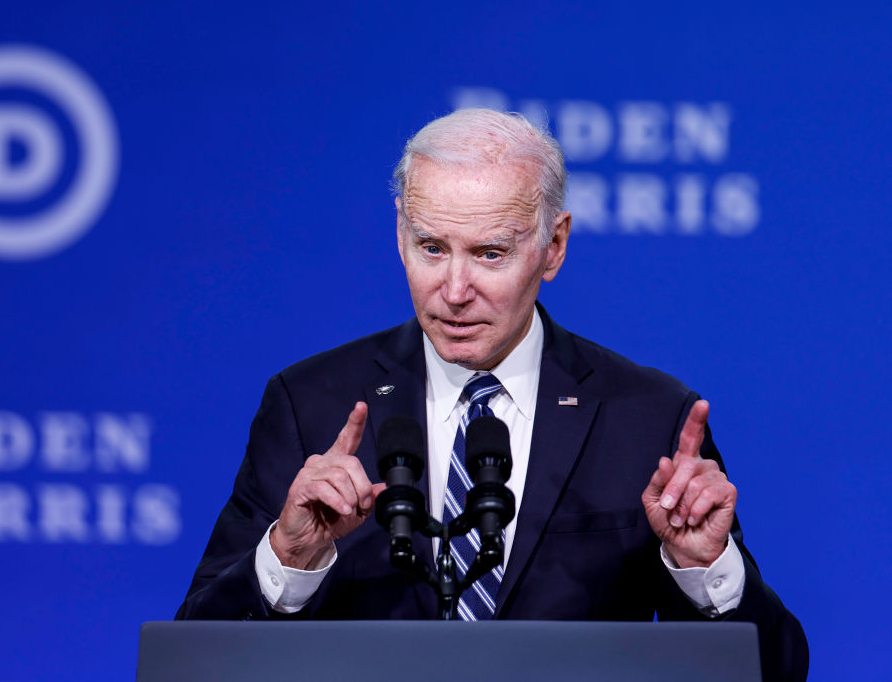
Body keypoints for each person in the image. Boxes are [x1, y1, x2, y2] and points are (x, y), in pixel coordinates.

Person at [176, 108, 808, 680]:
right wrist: (287, 560)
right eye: (431, 248)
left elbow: (777, 671)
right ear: (399, 232)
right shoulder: (309, 403)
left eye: (489, 254)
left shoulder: (647, 418)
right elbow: (191, 662)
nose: (454, 291)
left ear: (553, 246)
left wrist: (703, 569)